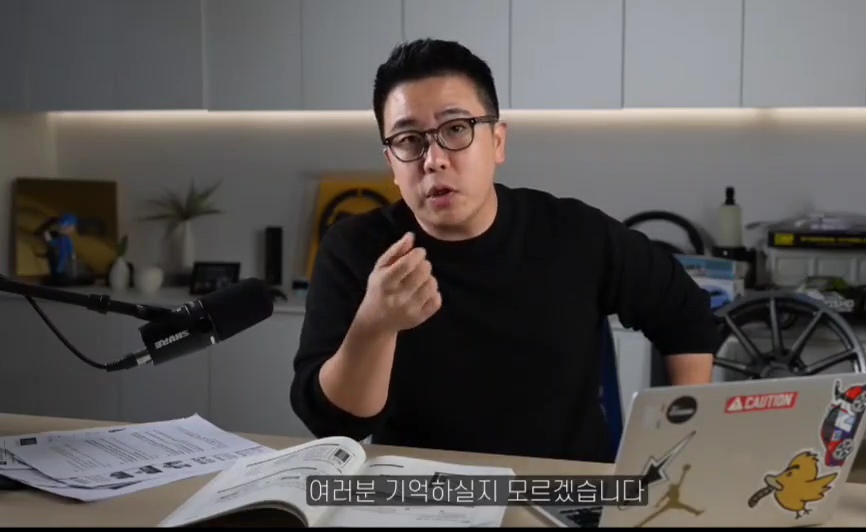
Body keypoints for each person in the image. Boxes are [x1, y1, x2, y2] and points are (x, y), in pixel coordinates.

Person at [290, 38, 719, 464]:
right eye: (408, 139)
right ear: (391, 163)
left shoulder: (573, 233)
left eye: (456, 129)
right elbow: (333, 424)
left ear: (497, 142)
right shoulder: (356, 249)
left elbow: (686, 314)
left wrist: (679, 447)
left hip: (563, 490)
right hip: (421, 491)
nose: (433, 159)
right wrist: (374, 326)